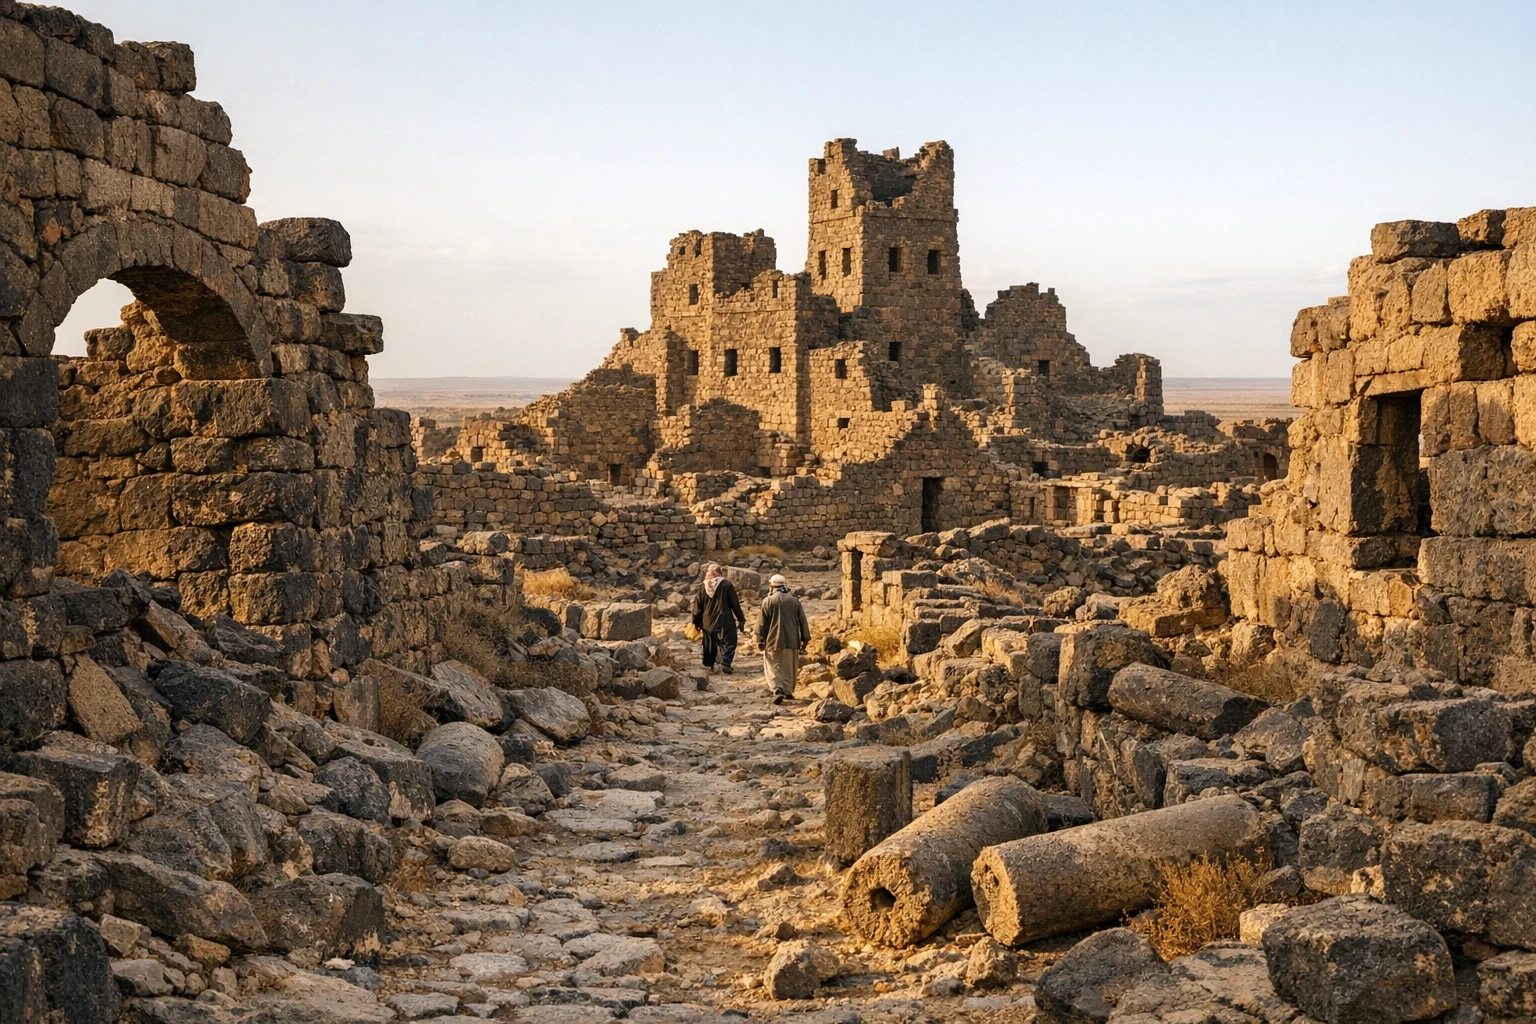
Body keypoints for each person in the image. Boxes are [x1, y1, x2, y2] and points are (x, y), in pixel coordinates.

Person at [757, 573, 810, 704]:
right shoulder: (794, 600)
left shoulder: (768, 601)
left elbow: (761, 624)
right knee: (789, 667)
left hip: (773, 640)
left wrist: (760, 639)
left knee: (773, 666)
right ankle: (787, 690)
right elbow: (803, 621)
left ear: (771, 585)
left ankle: (777, 689)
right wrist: (805, 639)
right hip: (792, 640)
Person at [692, 563, 745, 674]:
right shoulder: (726, 585)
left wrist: (695, 622)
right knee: (730, 641)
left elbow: (697, 607)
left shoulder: (703, 586)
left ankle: (711, 665)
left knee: (710, 643)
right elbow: (734, 604)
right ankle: (725, 663)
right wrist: (741, 619)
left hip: (708, 622)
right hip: (725, 620)